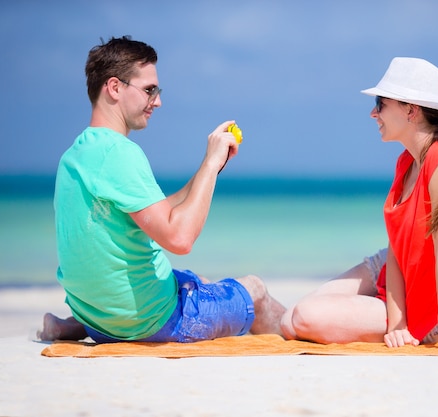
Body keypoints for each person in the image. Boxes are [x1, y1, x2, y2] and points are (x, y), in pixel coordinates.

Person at [38, 36, 285, 343]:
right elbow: (180, 240)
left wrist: (210, 166)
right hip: (146, 322)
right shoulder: (120, 153)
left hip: (97, 316)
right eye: (149, 90)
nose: (157, 101)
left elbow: (159, 213)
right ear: (115, 87)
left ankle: (72, 325)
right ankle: (302, 332)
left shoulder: (76, 156)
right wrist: (209, 167)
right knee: (255, 289)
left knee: (198, 281)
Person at [280, 57, 438, 351]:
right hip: (398, 270)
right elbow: (396, 249)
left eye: (381, 104)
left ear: (411, 110)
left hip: (432, 304)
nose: (373, 114)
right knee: (292, 318)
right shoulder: (406, 162)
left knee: (300, 319)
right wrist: (395, 321)